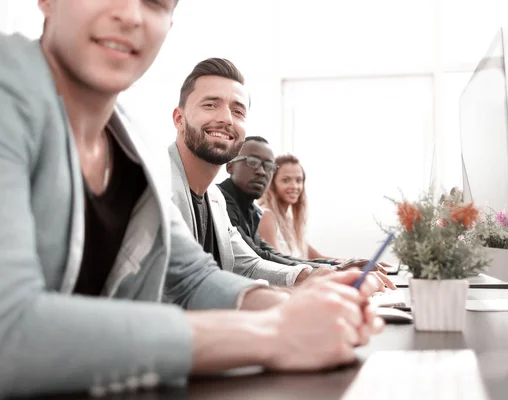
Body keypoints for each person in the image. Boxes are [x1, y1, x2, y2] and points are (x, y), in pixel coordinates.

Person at [0, 1, 383, 397]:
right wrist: (275, 332)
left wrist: (302, 310)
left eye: (155, 2)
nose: (131, 15)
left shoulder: (136, 148)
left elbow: (190, 278)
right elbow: (8, 332)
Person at [169, 58, 324, 286]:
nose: (226, 119)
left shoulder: (216, 199)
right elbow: (181, 286)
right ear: (179, 119)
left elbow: (249, 265)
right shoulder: (154, 185)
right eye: (210, 105)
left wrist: (312, 276)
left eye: (238, 111)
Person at [219, 137, 396, 286]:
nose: (261, 171)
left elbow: (268, 253)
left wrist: (337, 265)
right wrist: (334, 270)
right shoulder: (220, 202)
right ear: (230, 166)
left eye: (269, 166)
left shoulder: (251, 210)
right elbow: (258, 260)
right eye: (252, 162)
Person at [259, 154, 362, 261]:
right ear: (272, 183)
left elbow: (319, 257)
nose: (294, 186)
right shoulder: (267, 216)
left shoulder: (289, 221)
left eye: (299, 180)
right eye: (286, 180)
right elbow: (280, 262)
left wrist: (354, 263)